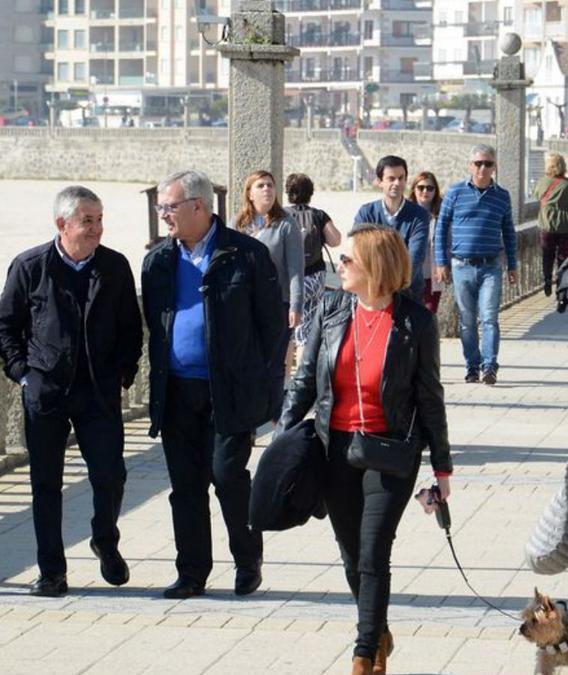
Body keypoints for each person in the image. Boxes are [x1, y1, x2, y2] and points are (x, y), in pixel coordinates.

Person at [278, 226, 452, 675]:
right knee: (352, 556)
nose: (340, 266)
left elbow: (430, 396)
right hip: (334, 450)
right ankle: (377, 629)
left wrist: (442, 466)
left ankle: (363, 655)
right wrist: (281, 439)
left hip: (391, 453)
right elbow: (302, 383)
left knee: (375, 552)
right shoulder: (331, 310)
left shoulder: (416, 322)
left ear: (375, 266)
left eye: (348, 260)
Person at [0, 185, 143, 597]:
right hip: (46, 392)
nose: (97, 228)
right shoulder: (30, 266)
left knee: (110, 476)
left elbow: (132, 328)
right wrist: (24, 375)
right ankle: (52, 572)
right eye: (87, 221)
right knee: (46, 485)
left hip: (98, 392)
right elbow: (5, 327)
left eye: (99, 219)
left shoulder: (114, 266)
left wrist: (122, 373)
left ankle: (104, 539)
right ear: (63, 224)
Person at [142, 170, 285, 600]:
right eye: (161, 207)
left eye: (169, 206)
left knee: (227, 477)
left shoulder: (245, 255)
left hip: (230, 390)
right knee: (185, 486)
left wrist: (259, 383)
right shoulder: (158, 261)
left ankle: (247, 561)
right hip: (176, 392)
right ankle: (191, 573)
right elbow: (155, 323)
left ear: (199, 207)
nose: (162, 214)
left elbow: (272, 326)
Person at [433, 144, 518, 385]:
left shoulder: (502, 196)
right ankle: (472, 365)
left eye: (488, 163)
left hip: (491, 265)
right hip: (461, 265)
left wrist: (512, 265)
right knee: (467, 321)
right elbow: (441, 228)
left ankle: (489, 366)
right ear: (470, 166)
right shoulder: (456, 192)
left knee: (489, 317)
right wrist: (441, 262)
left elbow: (509, 232)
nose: (482, 168)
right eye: (478, 163)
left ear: (494, 167)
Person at [236, 170, 305, 424]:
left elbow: (296, 269)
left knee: (275, 365)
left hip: (279, 303)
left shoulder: (286, 223)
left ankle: (277, 417)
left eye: (270, 185)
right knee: (248, 363)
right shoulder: (240, 224)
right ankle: (250, 421)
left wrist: (296, 305)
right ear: (250, 193)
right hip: (246, 305)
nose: (267, 189)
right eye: (261, 185)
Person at [354, 155, 431, 297]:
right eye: (391, 179)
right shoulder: (366, 213)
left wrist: (392, 290)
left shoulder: (419, 215)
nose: (397, 183)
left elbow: (415, 258)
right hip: (372, 293)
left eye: (401, 178)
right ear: (379, 181)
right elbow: (360, 252)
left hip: (409, 294)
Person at [285, 172, 342, 351]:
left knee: (288, 330)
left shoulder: (282, 215)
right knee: (308, 327)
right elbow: (335, 240)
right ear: (310, 193)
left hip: (289, 278)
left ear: (288, 192)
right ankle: (304, 373)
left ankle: (286, 377)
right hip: (314, 276)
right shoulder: (318, 215)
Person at [533, 152, 568, 297]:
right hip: (566, 226)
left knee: (547, 255)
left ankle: (547, 279)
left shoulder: (542, 182)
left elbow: (536, 196)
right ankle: (561, 284)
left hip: (547, 225)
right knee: (563, 255)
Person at [409, 170, 443, 313]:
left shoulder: (442, 213)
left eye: (430, 188)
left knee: (428, 314)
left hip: (433, 275)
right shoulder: (406, 212)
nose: (425, 191)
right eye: (421, 187)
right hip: (410, 275)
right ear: (414, 189)